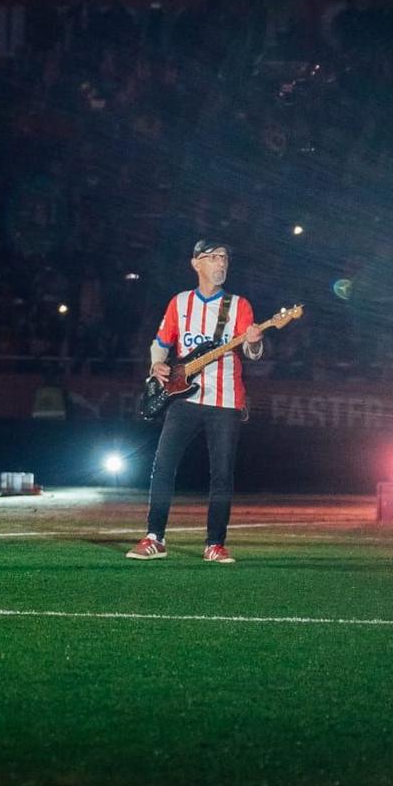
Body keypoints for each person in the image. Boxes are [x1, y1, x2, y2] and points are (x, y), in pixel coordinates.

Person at [127, 239, 263, 563]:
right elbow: (161, 343)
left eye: (225, 258)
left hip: (226, 400)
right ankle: (154, 536)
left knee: (221, 474)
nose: (221, 264)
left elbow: (251, 352)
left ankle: (215, 543)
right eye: (214, 257)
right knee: (163, 465)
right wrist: (156, 365)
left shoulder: (239, 305)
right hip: (183, 397)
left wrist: (255, 342)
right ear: (196, 263)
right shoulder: (180, 302)